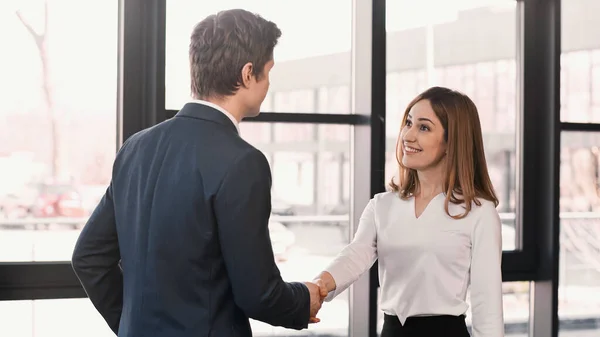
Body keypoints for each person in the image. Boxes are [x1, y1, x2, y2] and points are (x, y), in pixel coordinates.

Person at [71, 9, 326, 337]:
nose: (268, 84)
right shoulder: (242, 162)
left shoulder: (135, 148)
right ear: (248, 74)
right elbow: (257, 294)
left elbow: (88, 258)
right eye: (267, 72)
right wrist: (303, 299)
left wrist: (129, 325)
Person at [313, 87, 504, 337]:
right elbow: (354, 256)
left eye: (423, 127)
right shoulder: (382, 206)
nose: (408, 135)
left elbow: (487, 307)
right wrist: (319, 286)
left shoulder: (479, 213)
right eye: (408, 123)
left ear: (451, 141)